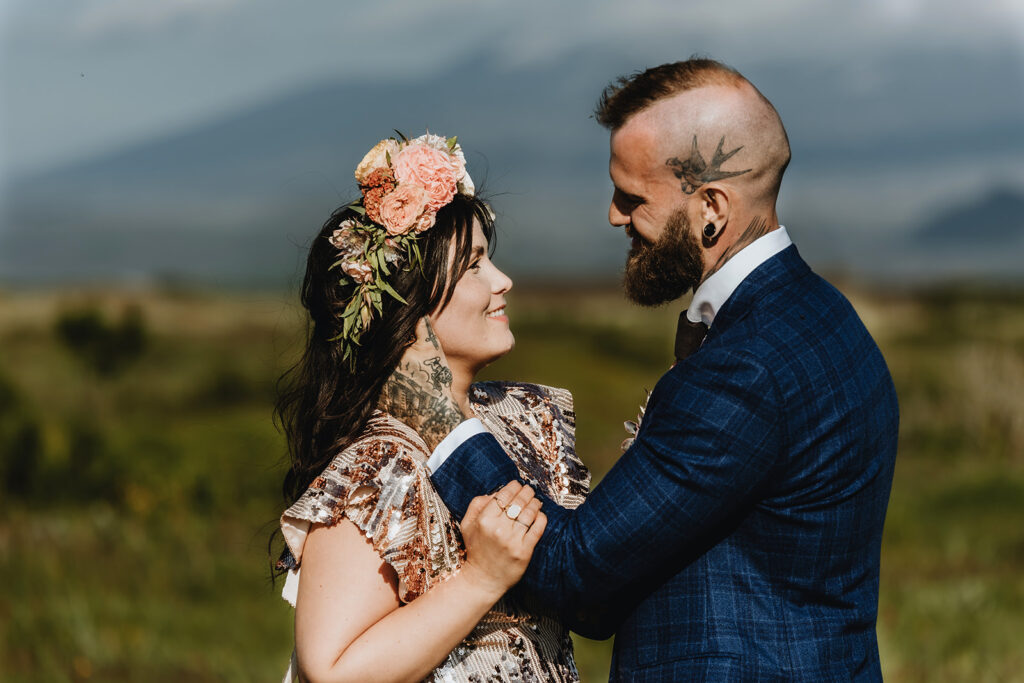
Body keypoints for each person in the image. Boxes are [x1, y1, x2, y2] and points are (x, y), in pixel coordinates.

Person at [395, 59, 900, 680]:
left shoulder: (743, 370)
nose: (613, 215)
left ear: (711, 206)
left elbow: (578, 575)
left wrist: (442, 417)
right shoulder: (823, 317)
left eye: (632, 197)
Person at [273, 132, 589, 682]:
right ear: (407, 302)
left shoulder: (524, 415)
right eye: (474, 266)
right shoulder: (380, 465)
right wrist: (479, 580)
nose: (503, 281)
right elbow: (334, 671)